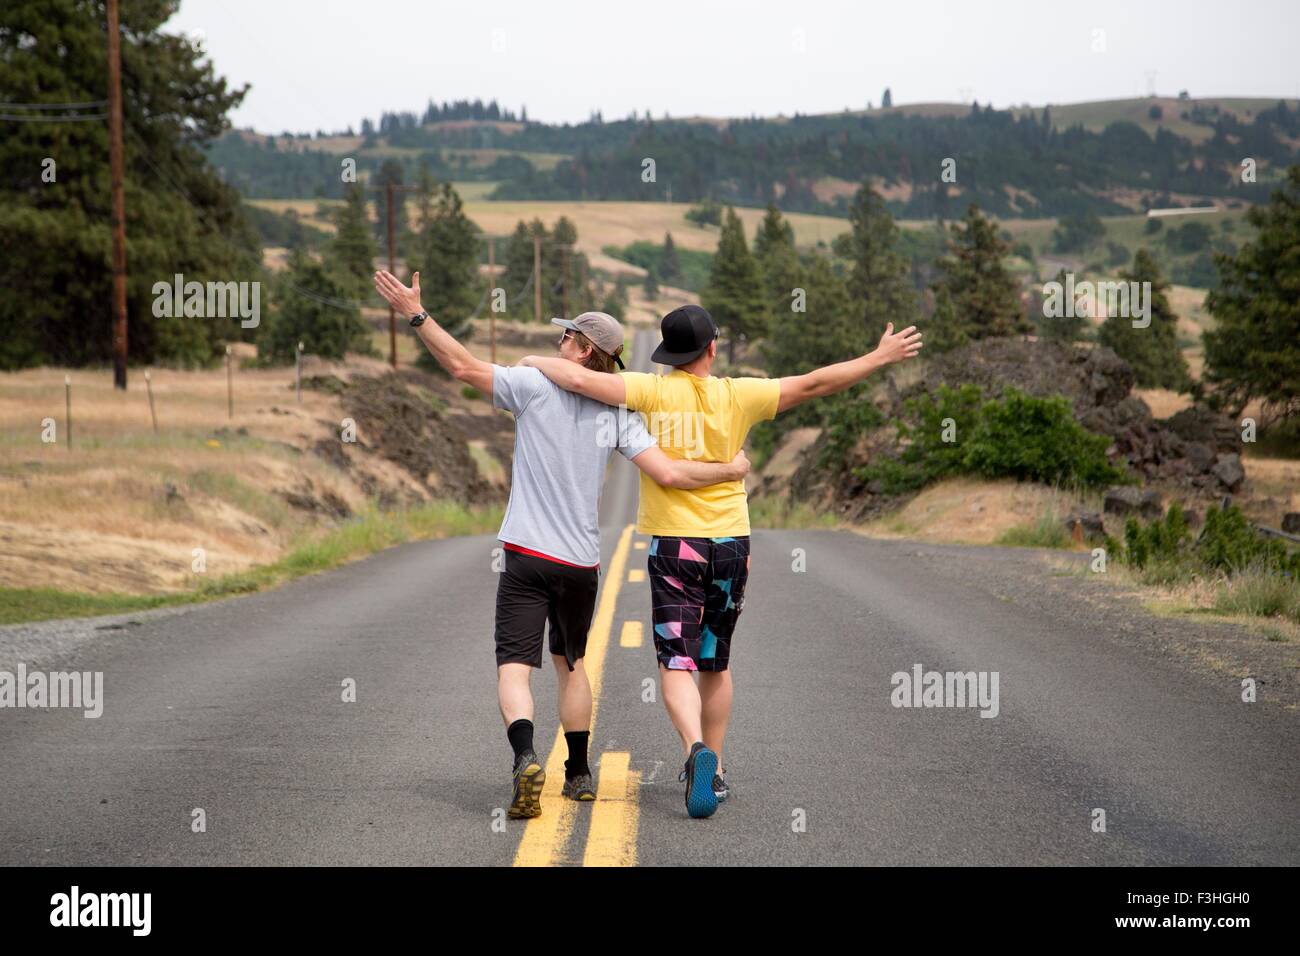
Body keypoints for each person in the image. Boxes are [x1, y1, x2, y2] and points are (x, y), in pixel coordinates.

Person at [520, 303, 922, 817]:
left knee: (676, 662)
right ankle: (719, 766)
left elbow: (576, 380)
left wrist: (533, 360)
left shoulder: (651, 390)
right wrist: (878, 357)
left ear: (667, 354)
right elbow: (817, 383)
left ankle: (694, 749)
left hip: (675, 544)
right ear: (712, 347)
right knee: (716, 660)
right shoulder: (741, 394)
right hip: (731, 543)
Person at [373, 272, 749, 821]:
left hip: (526, 554)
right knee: (571, 665)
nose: (558, 343)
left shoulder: (531, 387)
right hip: (581, 563)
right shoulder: (618, 414)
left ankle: (526, 757)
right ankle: (578, 773)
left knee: (514, 664)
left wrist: (416, 315)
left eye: (567, 337)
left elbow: (461, 365)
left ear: (584, 349)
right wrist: (731, 468)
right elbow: (669, 474)